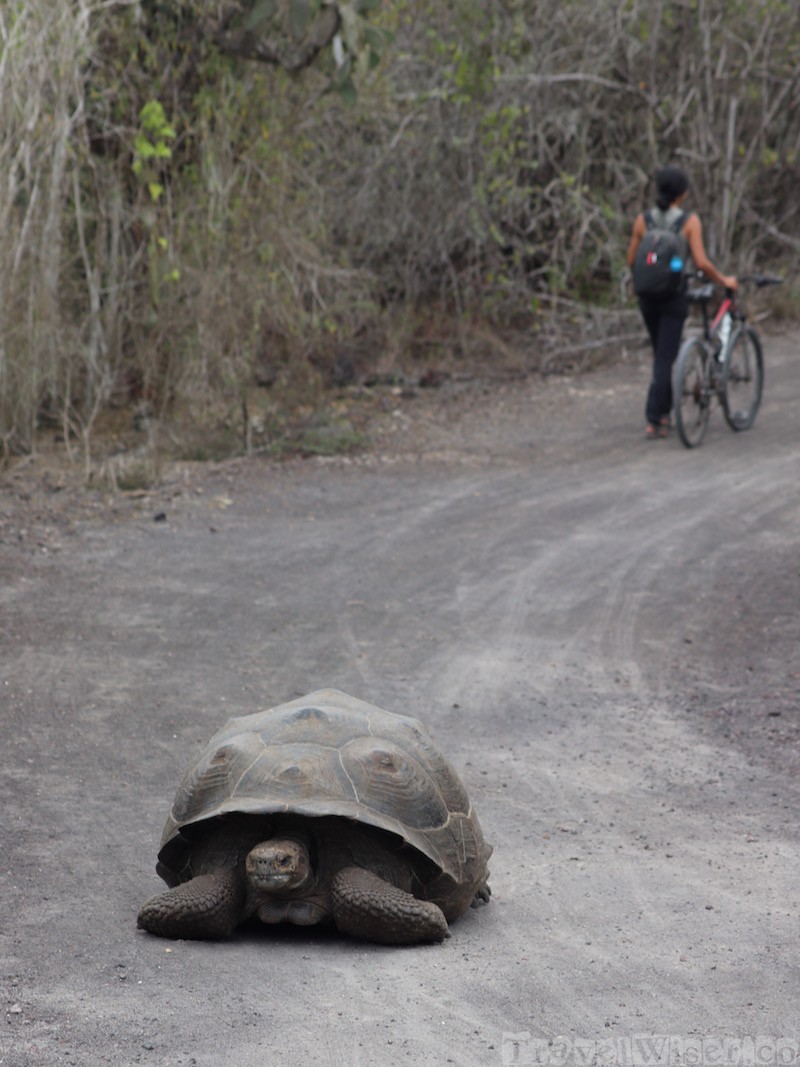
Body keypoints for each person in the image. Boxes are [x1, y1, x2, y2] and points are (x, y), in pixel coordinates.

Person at [626, 166, 737, 438]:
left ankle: (663, 412)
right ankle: (655, 418)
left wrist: (653, 267)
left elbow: (632, 260)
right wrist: (722, 280)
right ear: (682, 194)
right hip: (673, 297)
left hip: (647, 297)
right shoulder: (689, 222)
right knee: (666, 356)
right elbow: (700, 262)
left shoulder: (644, 221)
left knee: (661, 355)